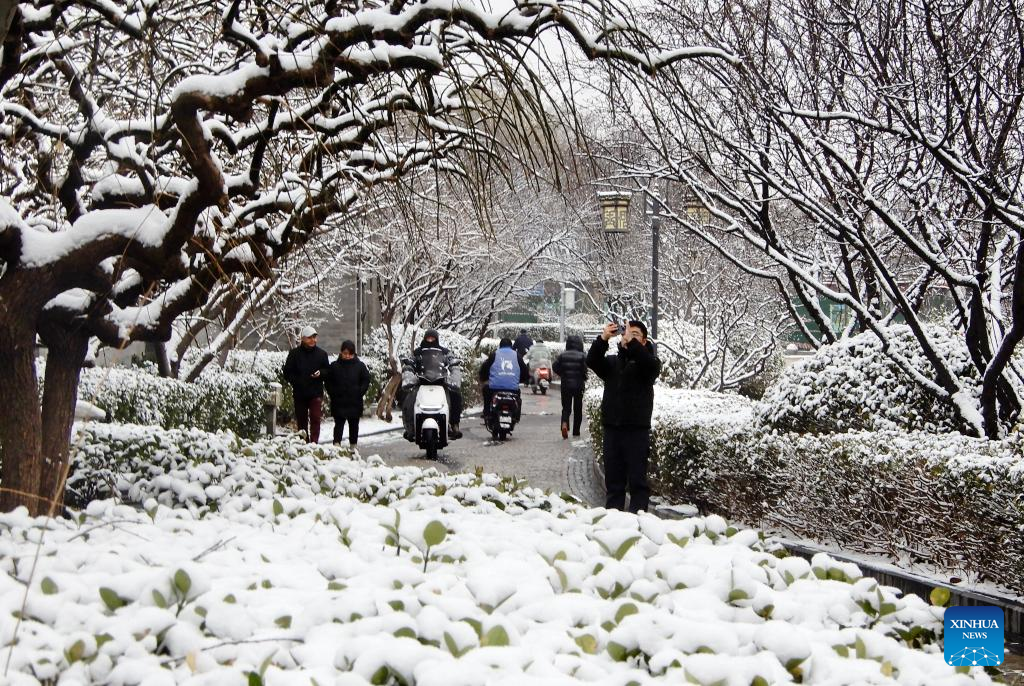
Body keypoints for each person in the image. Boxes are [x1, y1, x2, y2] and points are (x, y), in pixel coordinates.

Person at [586, 320, 661, 513]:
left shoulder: (649, 364)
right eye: (627, 333)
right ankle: (613, 521)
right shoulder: (613, 363)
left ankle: (638, 521)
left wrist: (632, 342)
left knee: (637, 483)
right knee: (614, 484)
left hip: (636, 432)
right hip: (612, 430)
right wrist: (603, 338)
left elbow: (648, 364)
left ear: (644, 341)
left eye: (635, 334)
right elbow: (592, 361)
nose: (629, 337)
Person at [402, 328, 464, 439]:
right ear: (425, 338)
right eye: (428, 338)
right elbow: (410, 363)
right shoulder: (418, 352)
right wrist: (408, 374)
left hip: (440, 382)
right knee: (408, 399)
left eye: (433, 338)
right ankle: (410, 426)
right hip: (421, 382)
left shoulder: (444, 352)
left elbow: (453, 362)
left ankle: (454, 424)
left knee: (455, 396)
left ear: (437, 339)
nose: (430, 340)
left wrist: (454, 374)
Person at [282, 325, 331, 443]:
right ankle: (303, 443)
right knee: (302, 421)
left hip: (315, 393)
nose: (313, 340)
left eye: (314, 337)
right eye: (309, 338)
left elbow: (328, 371)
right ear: (303, 339)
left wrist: (321, 373)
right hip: (300, 393)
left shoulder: (322, 354)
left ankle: (314, 443)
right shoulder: (294, 354)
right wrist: (297, 381)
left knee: (315, 418)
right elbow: (287, 372)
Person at [325, 340, 371, 446]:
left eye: (350, 353)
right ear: (341, 352)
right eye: (345, 353)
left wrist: (360, 391)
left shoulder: (360, 366)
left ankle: (353, 445)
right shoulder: (334, 366)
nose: (347, 356)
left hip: (354, 401)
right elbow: (328, 381)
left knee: (354, 425)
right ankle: (336, 445)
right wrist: (333, 393)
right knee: (338, 424)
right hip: (338, 401)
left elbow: (366, 379)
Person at [478, 337, 529, 419]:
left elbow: (485, 368)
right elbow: (524, 371)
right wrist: (522, 380)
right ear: (511, 346)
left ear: (500, 346)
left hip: (494, 388)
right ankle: (516, 416)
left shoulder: (494, 354)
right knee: (518, 396)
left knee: (486, 390)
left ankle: (487, 413)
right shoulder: (517, 356)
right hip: (513, 389)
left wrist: (483, 378)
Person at [553, 334, 587, 439]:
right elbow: (585, 369)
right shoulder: (583, 356)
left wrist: (562, 374)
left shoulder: (562, 355)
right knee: (578, 409)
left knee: (566, 407)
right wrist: (583, 377)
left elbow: (555, 366)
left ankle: (564, 423)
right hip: (579, 385)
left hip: (566, 385)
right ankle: (576, 431)